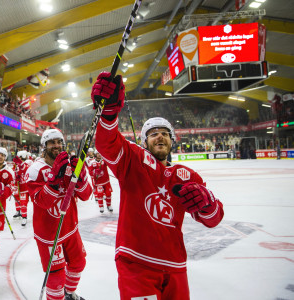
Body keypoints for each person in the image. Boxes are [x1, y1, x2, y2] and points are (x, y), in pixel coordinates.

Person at [91, 72, 224, 300]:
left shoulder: (186, 175)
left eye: (164, 134)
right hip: (136, 263)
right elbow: (106, 143)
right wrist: (109, 112)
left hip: (175, 266)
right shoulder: (132, 160)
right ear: (144, 141)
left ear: (172, 141)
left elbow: (213, 219)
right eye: (153, 134)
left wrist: (207, 204)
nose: (159, 137)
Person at [26, 129, 92, 300]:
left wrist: (82, 176)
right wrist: (54, 180)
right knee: (56, 278)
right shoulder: (35, 170)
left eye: (58, 142)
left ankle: (69, 294)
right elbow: (42, 201)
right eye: (51, 142)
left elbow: (85, 195)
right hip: (49, 233)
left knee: (78, 264)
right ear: (44, 146)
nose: (56, 145)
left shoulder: (70, 166)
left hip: (70, 227)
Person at [0, 147, 15, 265]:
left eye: (2, 155)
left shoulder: (9, 171)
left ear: (5, 157)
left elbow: (12, 187)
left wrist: (2, 189)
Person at [13, 150, 33, 226]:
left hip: (25, 187)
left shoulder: (28, 163)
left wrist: (21, 165)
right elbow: (14, 172)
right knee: (17, 199)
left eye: (21, 157)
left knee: (24, 202)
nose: (19, 158)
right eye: (19, 157)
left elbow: (26, 169)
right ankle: (18, 211)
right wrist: (15, 179)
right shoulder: (16, 164)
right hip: (18, 186)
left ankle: (24, 217)